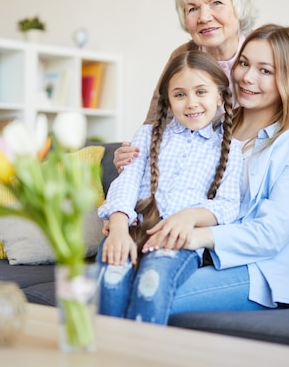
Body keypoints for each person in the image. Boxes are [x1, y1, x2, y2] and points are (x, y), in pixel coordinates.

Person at [144, 24, 289, 316]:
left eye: (265, 70)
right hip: (201, 255)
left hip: (265, 270)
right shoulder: (212, 127)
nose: (247, 77)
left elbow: (271, 235)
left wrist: (196, 236)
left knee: (149, 291)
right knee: (103, 284)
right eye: (244, 63)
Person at [114, 0, 289, 186]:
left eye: (216, 3)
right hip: (194, 175)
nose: (204, 17)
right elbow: (155, 123)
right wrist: (132, 155)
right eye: (192, 8)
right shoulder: (183, 57)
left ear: (238, 7)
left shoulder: (260, 53)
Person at [96, 50, 243, 324]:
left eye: (201, 92)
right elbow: (125, 182)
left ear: (220, 97)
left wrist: (188, 217)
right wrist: (117, 228)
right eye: (180, 95)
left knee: (151, 283)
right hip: (131, 231)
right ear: (168, 100)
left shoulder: (230, 149)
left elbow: (228, 205)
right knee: (112, 280)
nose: (191, 103)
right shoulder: (147, 134)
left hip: (179, 243)